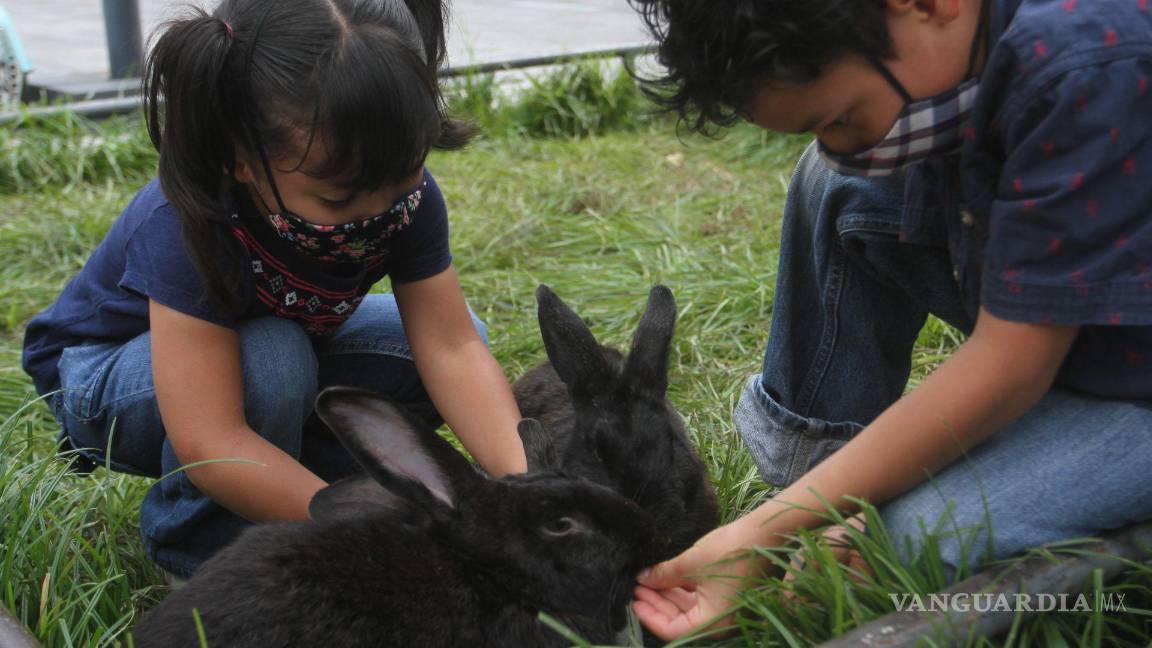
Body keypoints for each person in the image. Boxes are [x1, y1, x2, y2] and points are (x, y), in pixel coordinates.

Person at [625, 0, 1152, 639]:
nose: (844, 148)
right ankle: (816, 476)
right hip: (1073, 305)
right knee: (834, 187)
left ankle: (830, 519)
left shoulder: (1084, 65)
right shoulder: (963, 45)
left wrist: (765, 533)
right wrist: (811, 508)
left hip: (1129, 372)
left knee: (898, 542)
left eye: (843, 118)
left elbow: (1011, 365)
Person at [21, 0, 527, 581]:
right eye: (338, 201)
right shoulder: (187, 221)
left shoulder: (395, 197)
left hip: (270, 355)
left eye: (405, 176)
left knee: (435, 343)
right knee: (271, 357)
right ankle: (199, 554)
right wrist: (374, 535)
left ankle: (308, 484)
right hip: (106, 383)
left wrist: (525, 488)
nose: (378, 210)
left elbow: (452, 350)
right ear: (241, 161)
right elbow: (210, 437)